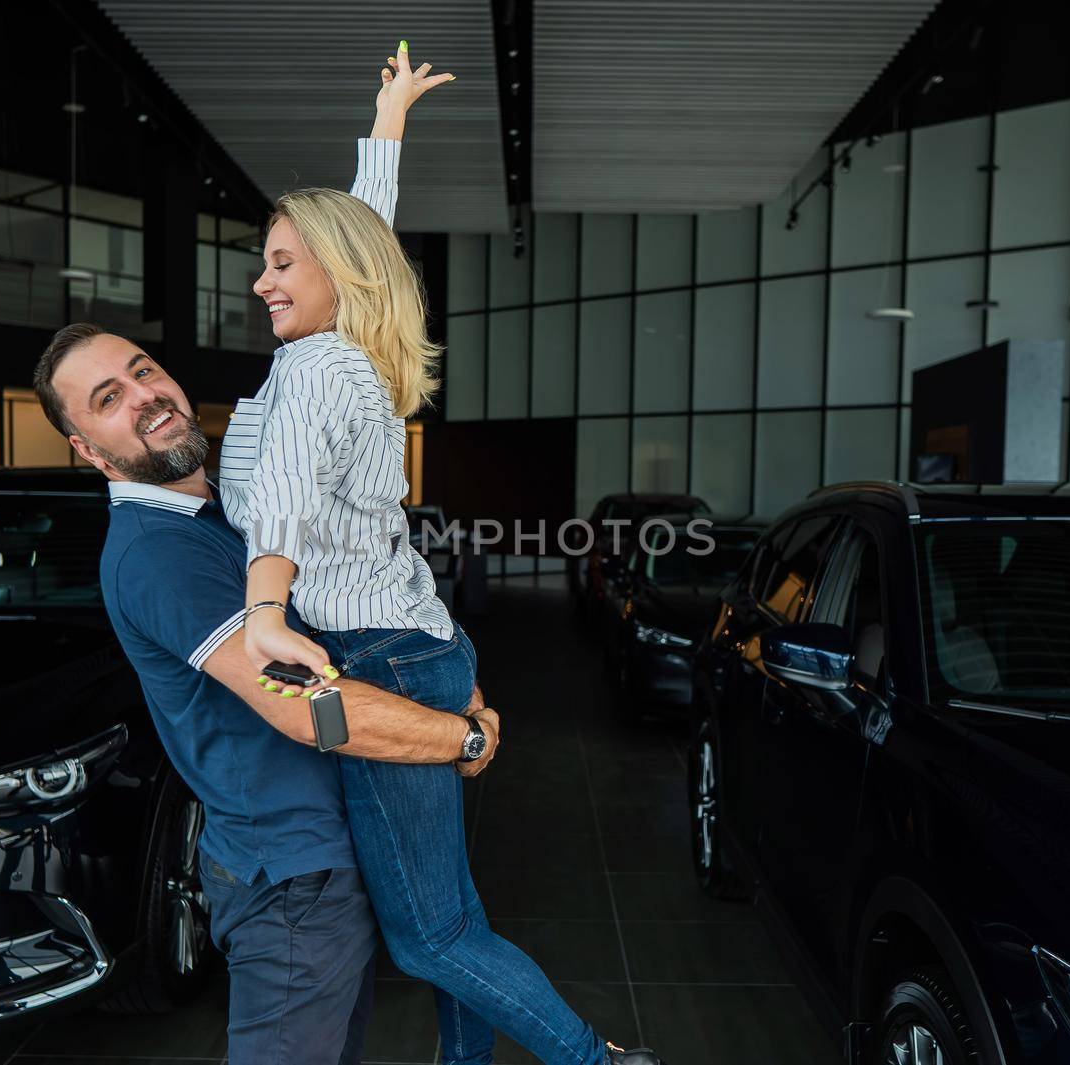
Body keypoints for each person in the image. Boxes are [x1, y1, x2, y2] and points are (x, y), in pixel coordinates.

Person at [222, 42, 664, 1065]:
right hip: (418, 645)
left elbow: (281, 495)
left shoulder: (317, 368)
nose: (262, 282)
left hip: (375, 655)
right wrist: (386, 128)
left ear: (334, 270)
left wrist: (262, 612)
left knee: (430, 934)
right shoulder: (355, 355)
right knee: (452, 920)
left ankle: (597, 1063)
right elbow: (364, 236)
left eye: (282, 262)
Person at [35, 323, 501, 1064]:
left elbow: (355, 609)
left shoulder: (231, 509)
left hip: (327, 858)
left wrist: (448, 675)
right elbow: (305, 703)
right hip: (293, 880)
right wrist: (461, 737)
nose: (147, 397)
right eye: (109, 399)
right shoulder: (159, 553)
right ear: (89, 449)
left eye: (143, 369)